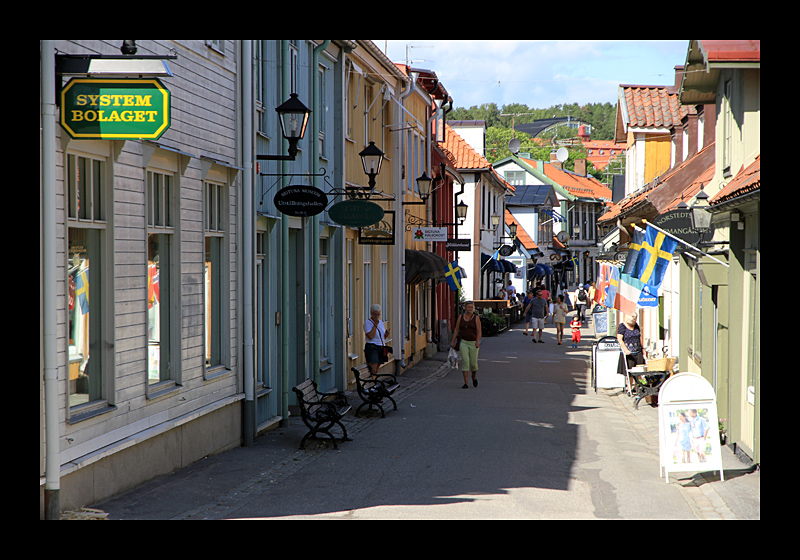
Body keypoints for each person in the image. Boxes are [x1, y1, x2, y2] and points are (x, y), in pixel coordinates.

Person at [451, 301, 482, 388]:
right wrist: (453, 341)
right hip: (463, 342)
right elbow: (456, 329)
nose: (470, 309)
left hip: (473, 343)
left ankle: (474, 377)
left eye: (472, 307)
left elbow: (479, 331)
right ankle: (466, 383)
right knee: (465, 361)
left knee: (473, 364)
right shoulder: (461, 317)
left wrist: (477, 340)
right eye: (468, 307)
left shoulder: (476, 318)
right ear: (465, 308)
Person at [363, 304, 390, 376]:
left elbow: (382, 337)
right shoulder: (367, 323)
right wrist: (375, 325)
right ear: (371, 313)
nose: (377, 316)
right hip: (372, 347)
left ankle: (374, 383)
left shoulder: (380, 322)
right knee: (373, 368)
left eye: (378, 314)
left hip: (381, 346)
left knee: (377, 369)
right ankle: (373, 384)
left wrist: (386, 334)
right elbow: (370, 336)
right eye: (375, 314)